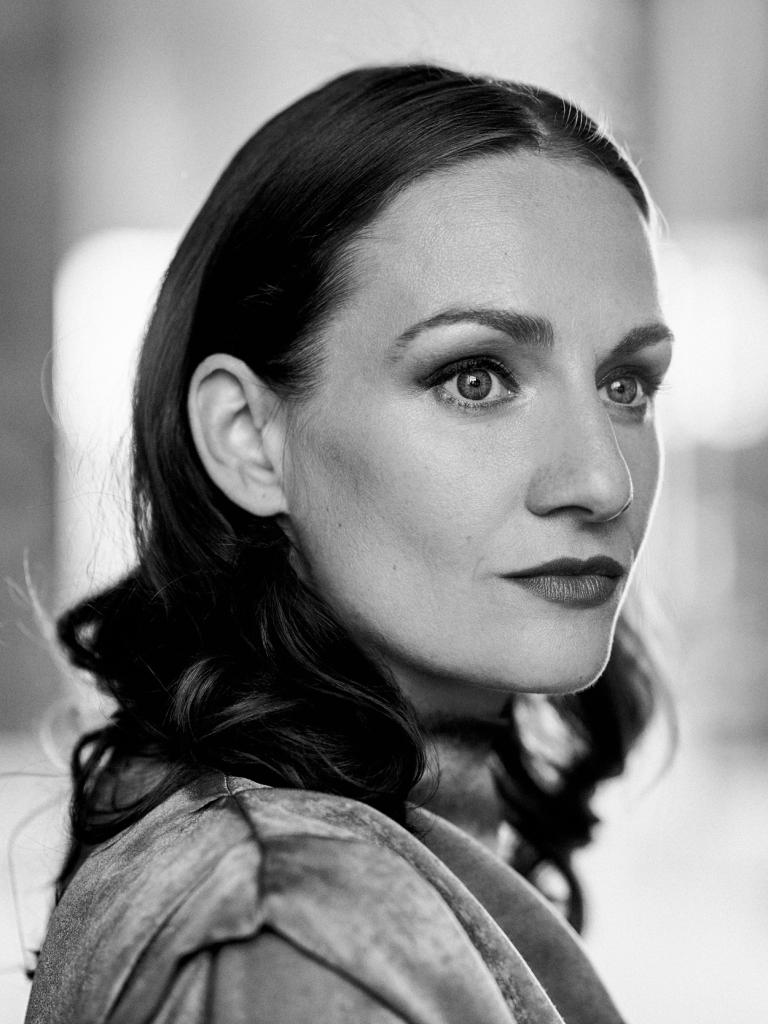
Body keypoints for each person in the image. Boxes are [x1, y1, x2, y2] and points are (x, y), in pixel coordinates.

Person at [25, 63, 674, 1023]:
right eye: (475, 377)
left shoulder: (301, 880)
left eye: (627, 385)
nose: (602, 481)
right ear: (249, 439)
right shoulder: (287, 936)